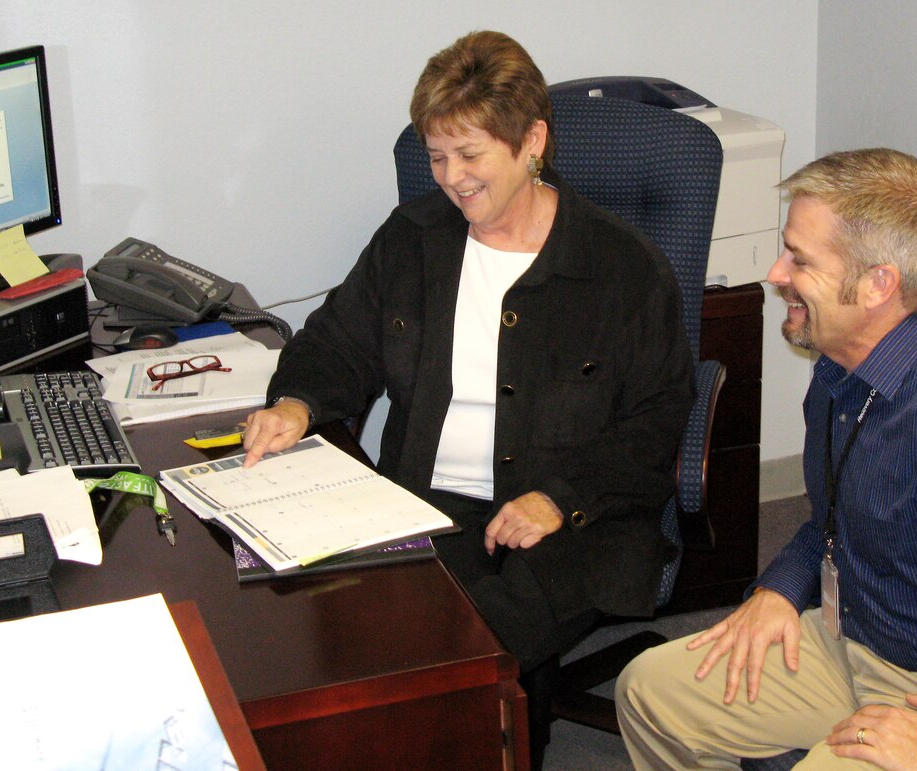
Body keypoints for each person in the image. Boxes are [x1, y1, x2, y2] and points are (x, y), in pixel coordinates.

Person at [242, 29, 692, 689]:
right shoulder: (413, 238)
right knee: (336, 618)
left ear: (532, 142)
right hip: (423, 503)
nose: (451, 178)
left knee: (455, 647)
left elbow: (657, 417)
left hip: (573, 523)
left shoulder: (620, 266)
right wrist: (295, 401)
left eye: (469, 154)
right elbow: (338, 339)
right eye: (437, 156)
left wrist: (558, 499)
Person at [615, 148, 917, 770]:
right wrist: (779, 589)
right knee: (650, 692)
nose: (776, 273)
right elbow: (839, 516)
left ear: (878, 284)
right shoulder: (841, 366)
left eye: (799, 259)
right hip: (858, 635)